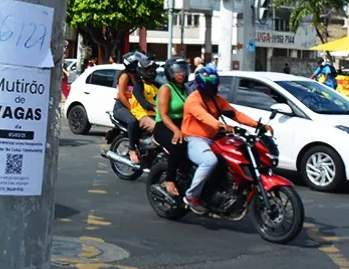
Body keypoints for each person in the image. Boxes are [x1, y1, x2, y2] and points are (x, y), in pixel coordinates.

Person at [182, 66, 268, 213]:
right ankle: (191, 196)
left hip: (213, 138)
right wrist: (221, 126)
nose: (214, 90)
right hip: (194, 138)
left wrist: (258, 125)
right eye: (210, 87)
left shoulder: (217, 100)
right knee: (209, 161)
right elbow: (204, 117)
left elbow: (235, 114)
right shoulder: (193, 100)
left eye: (214, 86)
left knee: (235, 154)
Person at [153, 57, 191, 196]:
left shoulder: (186, 89)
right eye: (177, 71)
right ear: (170, 73)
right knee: (178, 144)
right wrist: (176, 130)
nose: (181, 74)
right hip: (165, 125)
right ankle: (169, 179)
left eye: (183, 71)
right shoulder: (166, 89)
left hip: (183, 124)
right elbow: (163, 114)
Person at [113, 51, 156, 164]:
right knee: (133, 120)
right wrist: (131, 109)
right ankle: (132, 149)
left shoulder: (138, 76)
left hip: (135, 107)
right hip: (122, 107)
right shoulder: (124, 76)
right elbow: (122, 96)